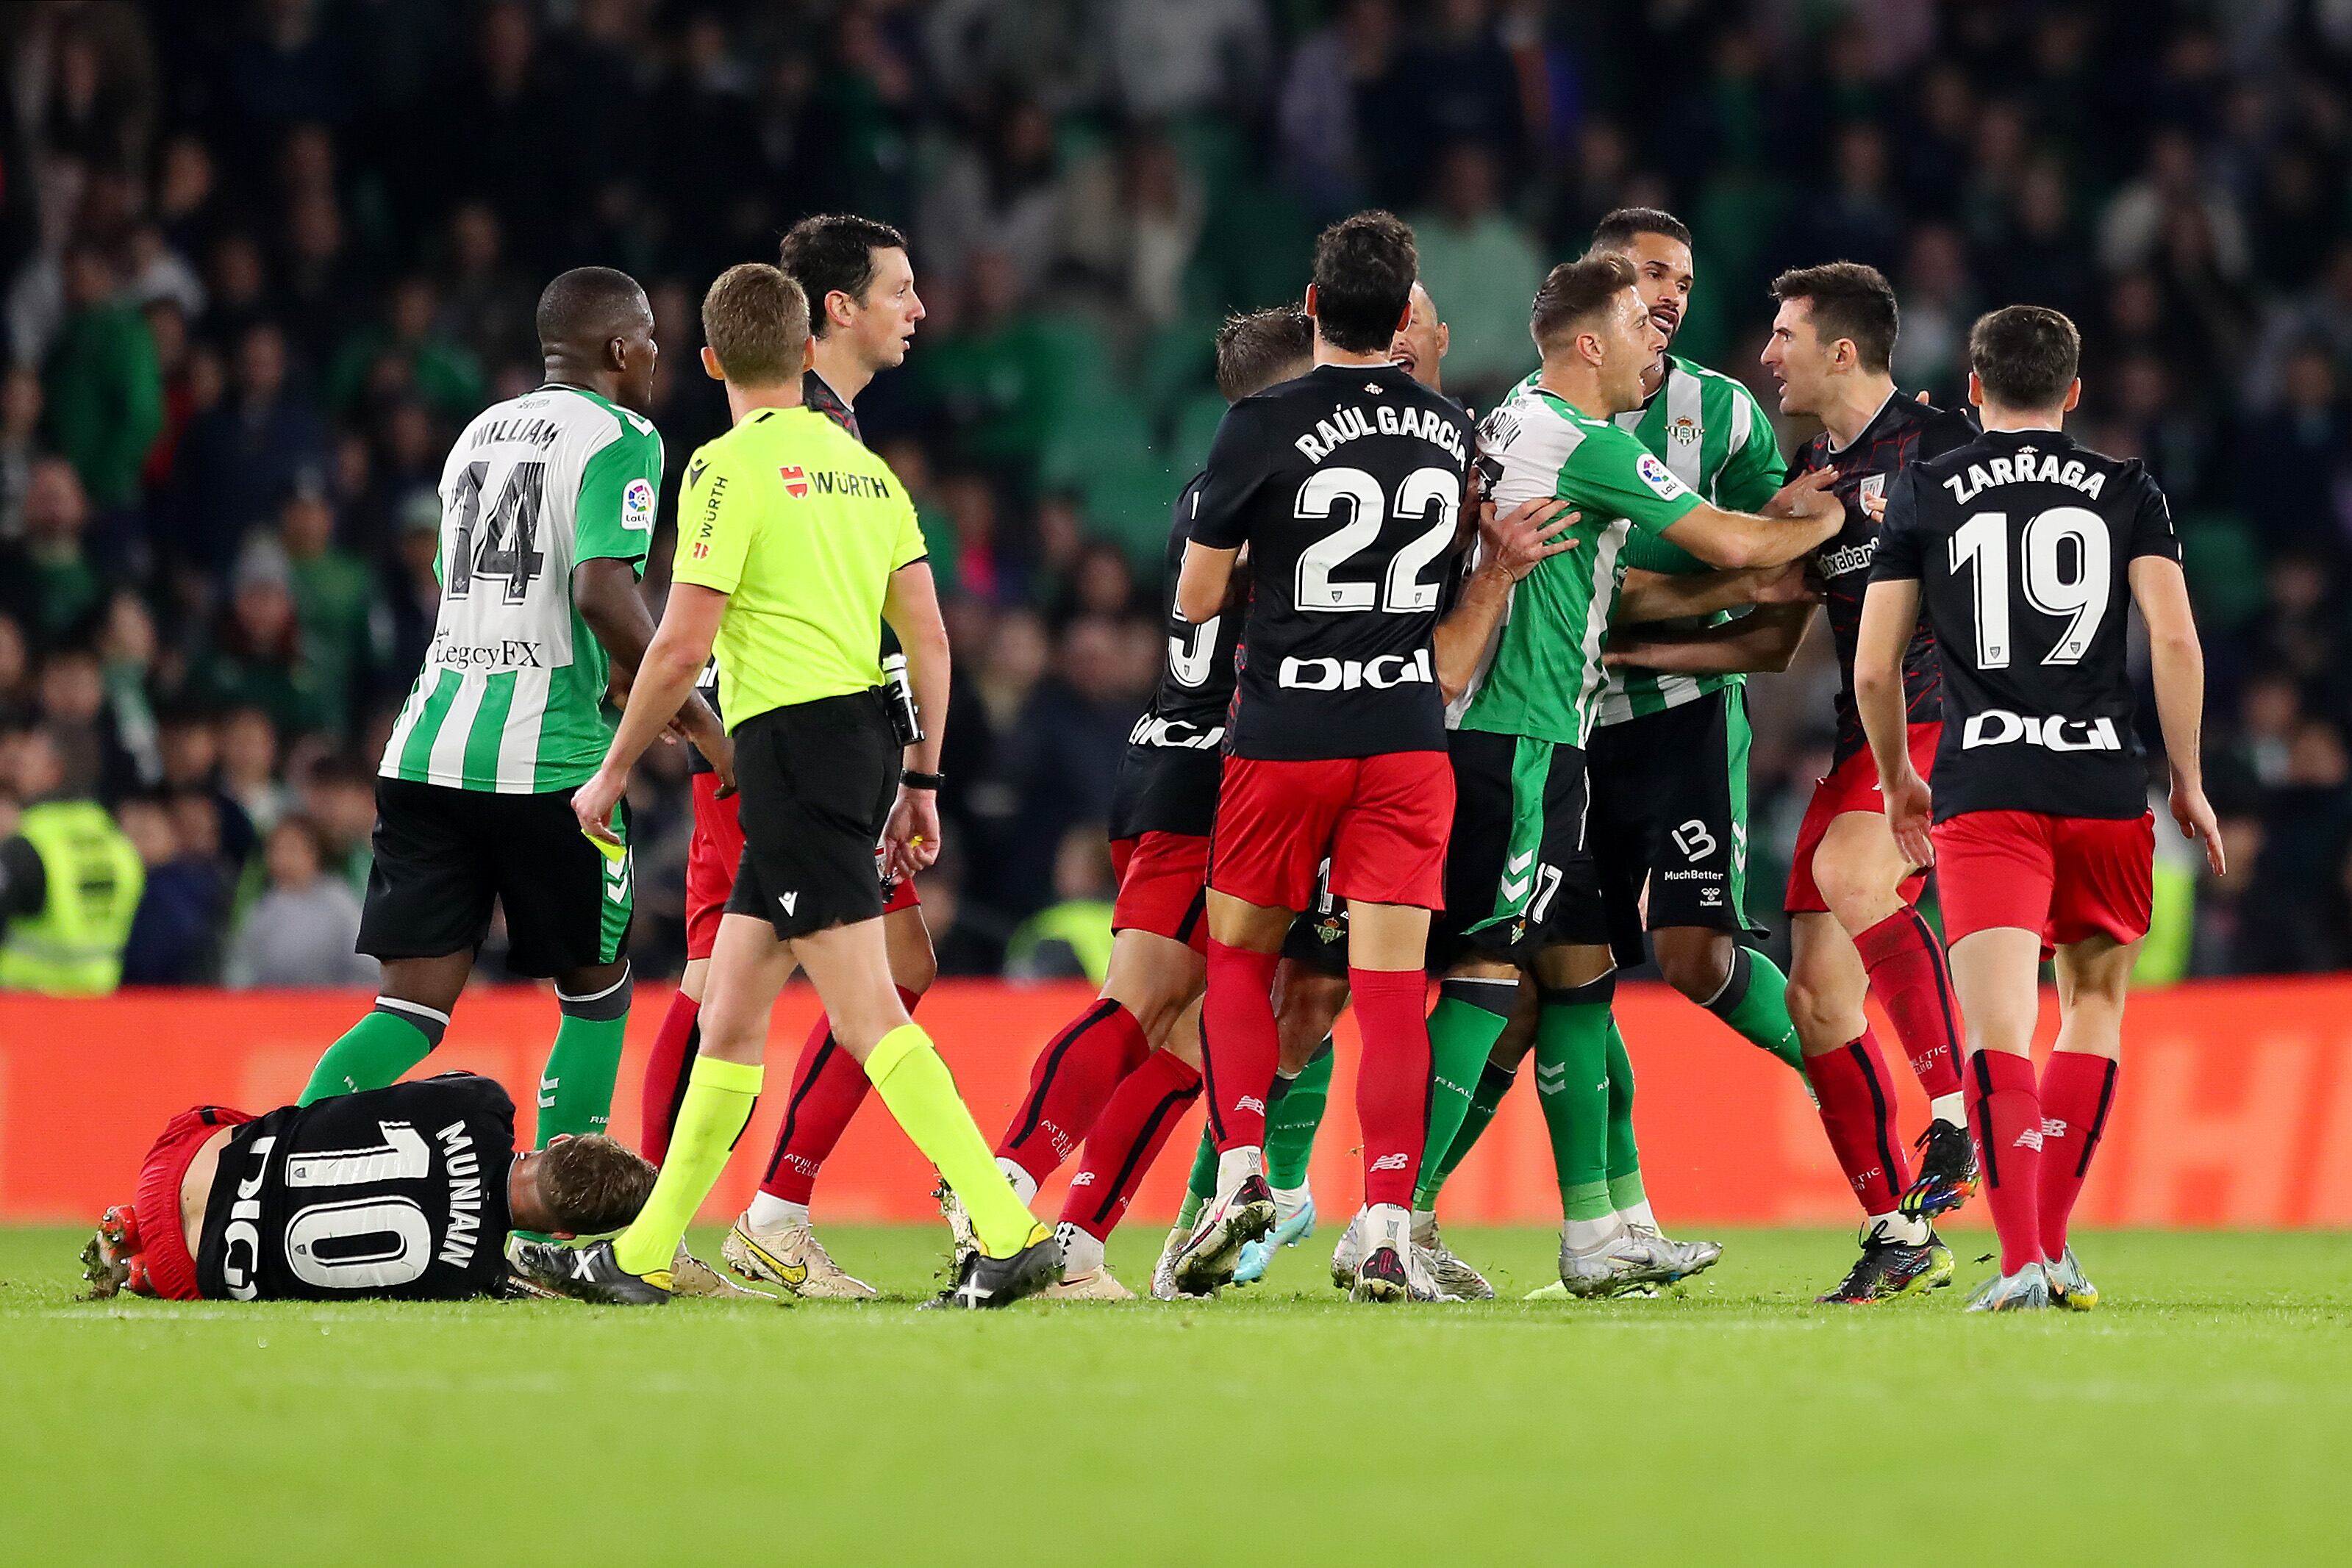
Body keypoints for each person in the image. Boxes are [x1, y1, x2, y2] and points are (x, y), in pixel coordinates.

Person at [515, 263, 1056, 1309]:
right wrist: (923, 779)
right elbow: (930, 639)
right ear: (809, 352)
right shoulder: (872, 474)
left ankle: (1007, 1226)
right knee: (732, 1010)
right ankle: (639, 1254)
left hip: (791, 751)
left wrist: (613, 768)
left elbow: (678, 645)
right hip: (855, 742)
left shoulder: (723, 469)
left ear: (712, 361)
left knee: (866, 1010)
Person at [1401, 209, 1818, 1297]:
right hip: (1526, 736)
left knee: (1571, 979)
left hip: (1507, 732)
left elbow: (1644, 577)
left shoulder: (1507, 421)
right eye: (1640, 306)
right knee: (1491, 973)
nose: (1658, 326)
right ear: (1590, 334)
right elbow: (1731, 541)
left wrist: (1739, 583)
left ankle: (1596, 1230)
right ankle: (1389, 1218)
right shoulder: (1584, 442)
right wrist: (1834, 520)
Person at [293, 269, 728, 1256]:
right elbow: (600, 592)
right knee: (594, 988)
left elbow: (465, 589)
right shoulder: (625, 438)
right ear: (619, 351)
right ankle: (550, 1231)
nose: (657, 354)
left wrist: (617, 681)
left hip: (427, 747)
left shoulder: (475, 435)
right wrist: (694, 715)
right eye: (649, 338)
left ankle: (277, 1168)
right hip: (549, 767)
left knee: (409, 1008)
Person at [1609, 261, 1982, 1303]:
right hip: (1860, 737)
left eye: (1784, 335)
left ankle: (1955, 1113)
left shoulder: (1947, 449)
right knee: (1819, 1002)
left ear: (1842, 350)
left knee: (1850, 875)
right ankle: (1895, 1232)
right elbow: (1770, 638)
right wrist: (1634, 657)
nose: (1765, 354)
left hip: (1940, 722)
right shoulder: (1817, 465)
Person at [1856, 304, 2223, 1311]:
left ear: (1972, 392)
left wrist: (1895, 782)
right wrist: (2184, 778)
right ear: (2071, 392)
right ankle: (2049, 1250)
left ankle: (2019, 1258)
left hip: (1986, 789)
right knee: (2093, 1008)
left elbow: (1875, 667)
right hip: (2104, 783)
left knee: (1997, 1033)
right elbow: (2176, 642)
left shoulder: (1927, 489)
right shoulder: (2124, 487)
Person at [1169, 212, 1481, 1303]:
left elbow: (1201, 597)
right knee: (1391, 990)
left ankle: (1242, 1175)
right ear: (1404, 321)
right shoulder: (1450, 432)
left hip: (1284, 732)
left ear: (1309, 311)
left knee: (1241, 961)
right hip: (1402, 730)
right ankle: (1388, 1220)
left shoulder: (1260, 422)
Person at [635, 214, 930, 1300]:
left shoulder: (835, 437)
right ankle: (707, 1219)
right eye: (898, 291)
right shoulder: (797, 438)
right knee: (726, 977)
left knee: (746, 979)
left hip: (818, 737)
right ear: (832, 313)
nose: (918, 311)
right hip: (780, 736)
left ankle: (727, 1219)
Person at [83, 1074, 654, 1303]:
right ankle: (142, 1272)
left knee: (290, 1126)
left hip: (176, 1168)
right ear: (561, 1231)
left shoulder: (481, 1102)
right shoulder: (474, 1278)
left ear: (554, 1146)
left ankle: (129, 1223)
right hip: (194, 1270)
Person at [0, 728, 143, 995]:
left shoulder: (29, 847)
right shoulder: (120, 846)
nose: (17, 767)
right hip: (94, 1014)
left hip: (24, 1013)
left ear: (52, 771)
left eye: (28, 758)